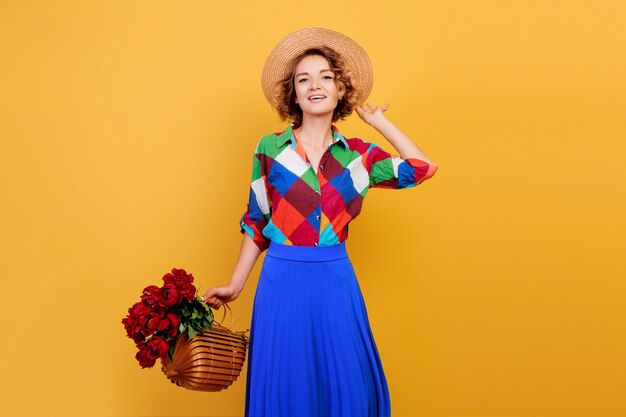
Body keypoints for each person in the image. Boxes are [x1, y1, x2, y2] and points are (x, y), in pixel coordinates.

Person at [201, 27, 438, 417]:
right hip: (281, 280)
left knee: (348, 385)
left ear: (341, 89)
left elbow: (422, 168)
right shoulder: (270, 149)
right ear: (292, 94)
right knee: (284, 387)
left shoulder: (359, 158)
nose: (315, 85)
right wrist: (235, 284)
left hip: (334, 280)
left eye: (326, 77)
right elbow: (257, 221)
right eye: (303, 79)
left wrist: (378, 122)